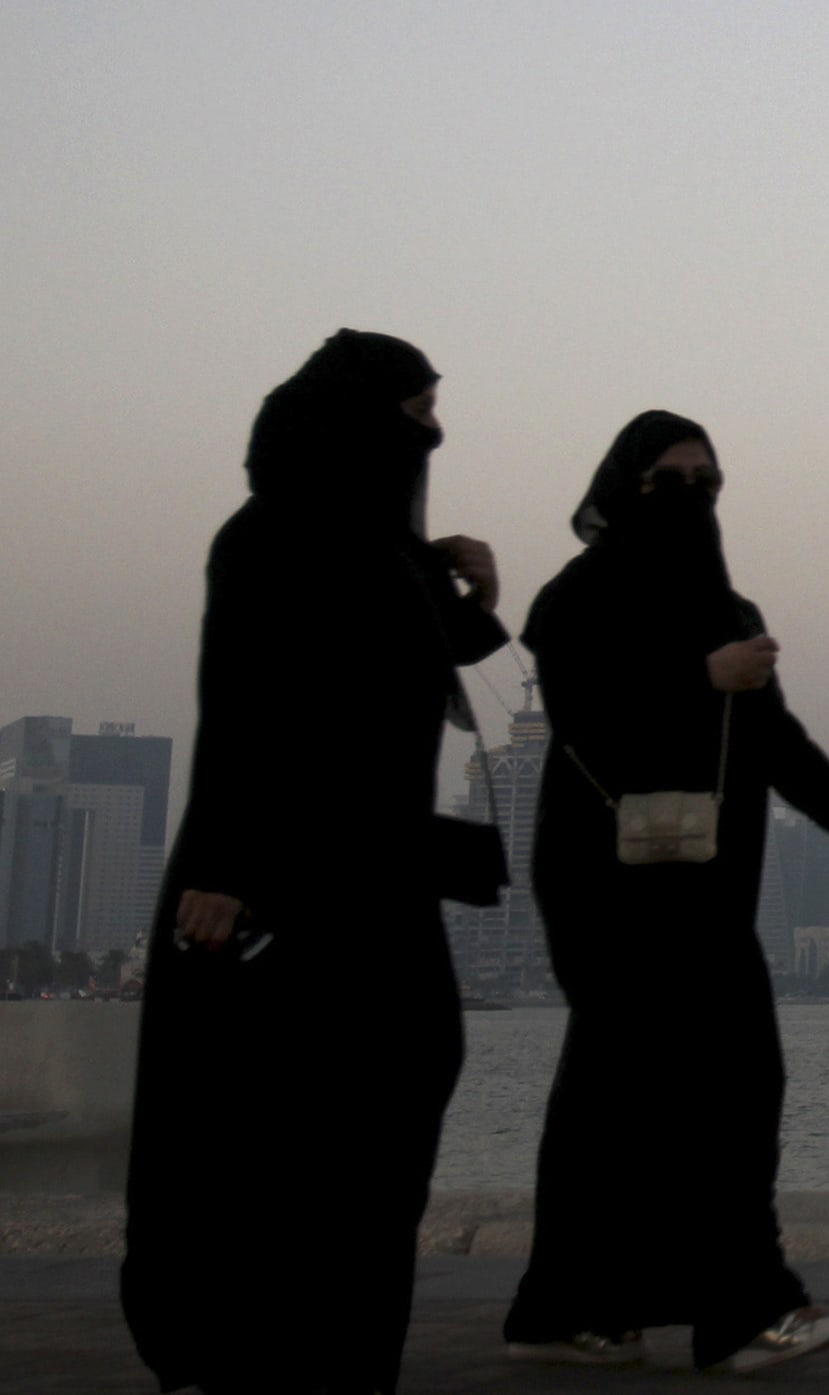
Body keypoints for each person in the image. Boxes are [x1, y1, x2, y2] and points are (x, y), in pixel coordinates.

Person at [121, 330, 507, 1395]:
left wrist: (475, 596)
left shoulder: (383, 548)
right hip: (283, 882)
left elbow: (434, 655)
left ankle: (340, 1361)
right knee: (284, 1131)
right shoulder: (271, 535)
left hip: (382, 879)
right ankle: (249, 1351)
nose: (433, 431)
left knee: (391, 1107)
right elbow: (244, 699)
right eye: (418, 409)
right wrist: (227, 866)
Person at [504, 410, 829, 1374]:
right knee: (732, 1082)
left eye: (707, 479)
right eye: (668, 479)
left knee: (611, 1098)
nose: (691, 497)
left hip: (704, 883)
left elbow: (780, 747)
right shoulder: (576, 598)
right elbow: (585, 717)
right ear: (622, 488)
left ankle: (567, 1308)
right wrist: (704, 677)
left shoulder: (727, 609)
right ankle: (744, 1310)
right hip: (606, 884)